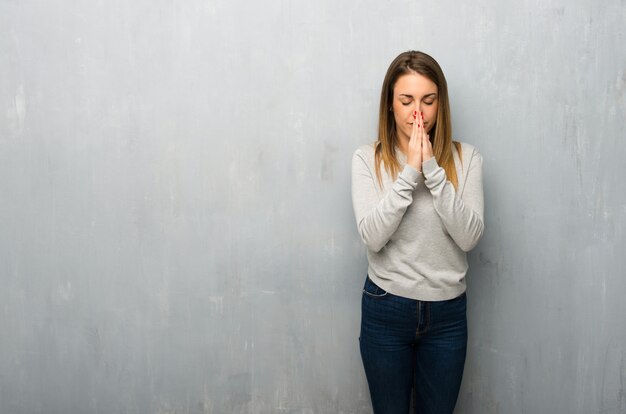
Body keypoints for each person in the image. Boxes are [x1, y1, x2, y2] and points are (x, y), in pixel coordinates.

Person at [351, 50, 484, 413]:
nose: (417, 113)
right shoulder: (369, 158)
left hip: (447, 316)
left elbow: (469, 237)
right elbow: (373, 236)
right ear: (390, 105)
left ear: (440, 104)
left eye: (428, 101)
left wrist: (433, 171)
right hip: (385, 308)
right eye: (406, 100)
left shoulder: (467, 158)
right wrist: (409, 173)